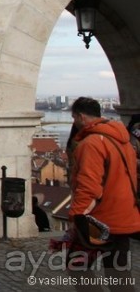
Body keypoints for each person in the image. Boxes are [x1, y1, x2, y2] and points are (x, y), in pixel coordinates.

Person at [67, 97, 140, 286]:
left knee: (77, 265)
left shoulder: (91, 144)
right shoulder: (124, 140)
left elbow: (89, 186)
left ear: (81, 117)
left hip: (101, 218)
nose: (74, 122)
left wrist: (76, 216)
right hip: (124, 216)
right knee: (119, 273)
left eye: (74, 117)